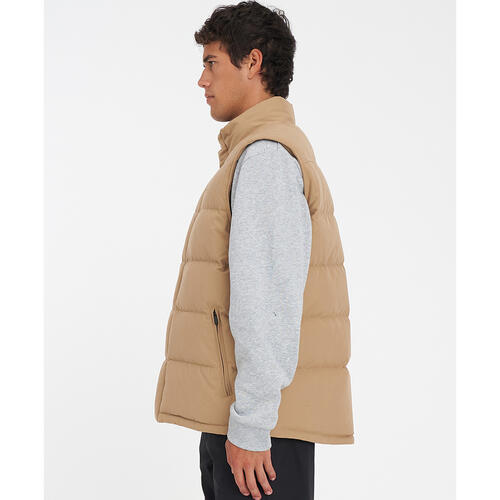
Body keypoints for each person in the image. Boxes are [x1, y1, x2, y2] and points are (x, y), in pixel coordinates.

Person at [153, 2, 354, 499]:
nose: (202, 80)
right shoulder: (255, 153)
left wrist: (252, 423)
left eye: (211, 62)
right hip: (248, 422)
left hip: (261, 432)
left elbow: (267, 301)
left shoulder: (266, 157)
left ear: (253, 62)